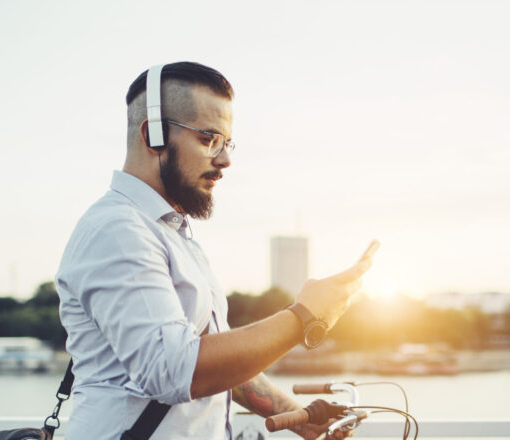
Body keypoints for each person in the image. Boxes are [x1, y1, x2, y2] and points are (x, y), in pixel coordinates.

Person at [55, 61, 374, 440]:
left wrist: (297, 414)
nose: (224, 160)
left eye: (227, 143)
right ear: (152, 135)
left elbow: (207, 358)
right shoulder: (118, 230)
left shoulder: (170, 232)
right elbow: (173, 370)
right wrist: (303, 316)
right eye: (208, 139)